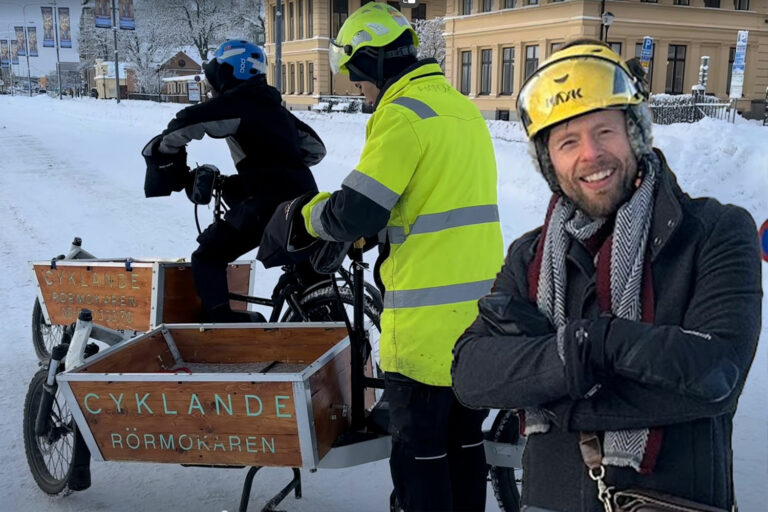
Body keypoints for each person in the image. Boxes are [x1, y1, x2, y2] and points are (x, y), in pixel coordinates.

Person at [451, 40, 762, 512]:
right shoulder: (529, 257)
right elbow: (471, 372)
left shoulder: (715, 233)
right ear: (550, 162)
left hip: (670, 501)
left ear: (635, 134)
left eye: (605, 131)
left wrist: (596, 346)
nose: (591, 155)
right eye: (567, 142)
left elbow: (716, 373)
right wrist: (571, 358)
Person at [263, 5, 504, 510]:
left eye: (357, 76)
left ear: (372, 62)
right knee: (464, 443)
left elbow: (355, 210)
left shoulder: (403, 114)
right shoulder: (461, 109)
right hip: (480, 318)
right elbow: (432, 202)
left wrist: (302, 216)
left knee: (419, 456)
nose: (357, 87)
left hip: (425, 324)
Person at [142, 40, 326, 322]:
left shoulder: (237, 104)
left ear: (229, 72)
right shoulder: (274, 108)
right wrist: (276, 160)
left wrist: (164, 151)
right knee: (308, 274)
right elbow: (315, 149)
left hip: (270, 205)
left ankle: (221, 326)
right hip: (305, 199)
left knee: (207, 257)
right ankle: (319, 312)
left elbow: (188, 122)